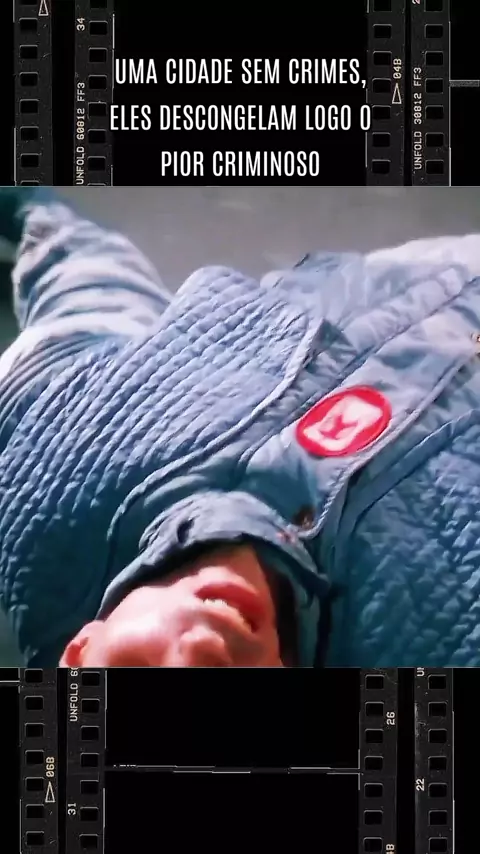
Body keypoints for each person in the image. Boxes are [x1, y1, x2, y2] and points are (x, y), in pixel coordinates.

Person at [1, 187, 480, 668]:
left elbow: (85, 293)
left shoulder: (58, 469)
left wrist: (35, 209)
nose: (202, 652)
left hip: (414, 278)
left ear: (80, 651)